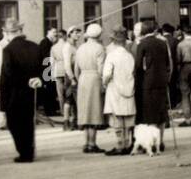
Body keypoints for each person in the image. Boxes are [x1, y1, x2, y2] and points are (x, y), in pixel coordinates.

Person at [0, 18, 44, 162]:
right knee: (28, 122)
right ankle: (29, 150)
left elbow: (6, 77)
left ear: (7, 33)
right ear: (21, 31)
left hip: (15, 94)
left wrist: (3, 104)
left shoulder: (8, 50)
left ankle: (24, 152)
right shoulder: (35, 47)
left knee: (15, 124)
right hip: (33, 92)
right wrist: (41, 80)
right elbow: (48, 66)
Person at [133, 21, 173, 148]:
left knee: (150, 113)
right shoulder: (162, 43)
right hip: (161, 81)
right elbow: (167, 62)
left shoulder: (142, 44)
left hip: (148, 82)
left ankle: (151, 142)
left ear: (143, 31)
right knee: (161, 111)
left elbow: (138, 65)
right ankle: (160, 141)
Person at [102, 27, 137, 156]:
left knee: (117, 118)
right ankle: (128, 143)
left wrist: (105, 83)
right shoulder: (129, 56)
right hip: (129, 89)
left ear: (113, 41)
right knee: (127, 117)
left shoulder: (111, 55)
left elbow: (106, 74)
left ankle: (120, 144)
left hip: (115, 89)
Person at [75, 23, 107, 153]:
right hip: (94, 78)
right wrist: (103, 84)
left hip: (83, 78)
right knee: (94, 110)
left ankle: (86, 142)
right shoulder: (99, 48)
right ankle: (92, 143)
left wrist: (79, 80)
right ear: (99, 34)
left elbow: (76, 68)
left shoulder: (80, 48)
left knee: (85, 111)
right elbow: (101, 69)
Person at [51, 26, 79, 129]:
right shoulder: (68, 47)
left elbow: (51, 62)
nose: (78, 35)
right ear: (68, 34)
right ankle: (68, 121)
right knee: (69, 99)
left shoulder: (72, 46)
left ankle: (70, 120)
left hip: (63, 73)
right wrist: (72, 78)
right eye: (76, 33)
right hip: (69, 75)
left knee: (67, 98)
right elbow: (67, 64)